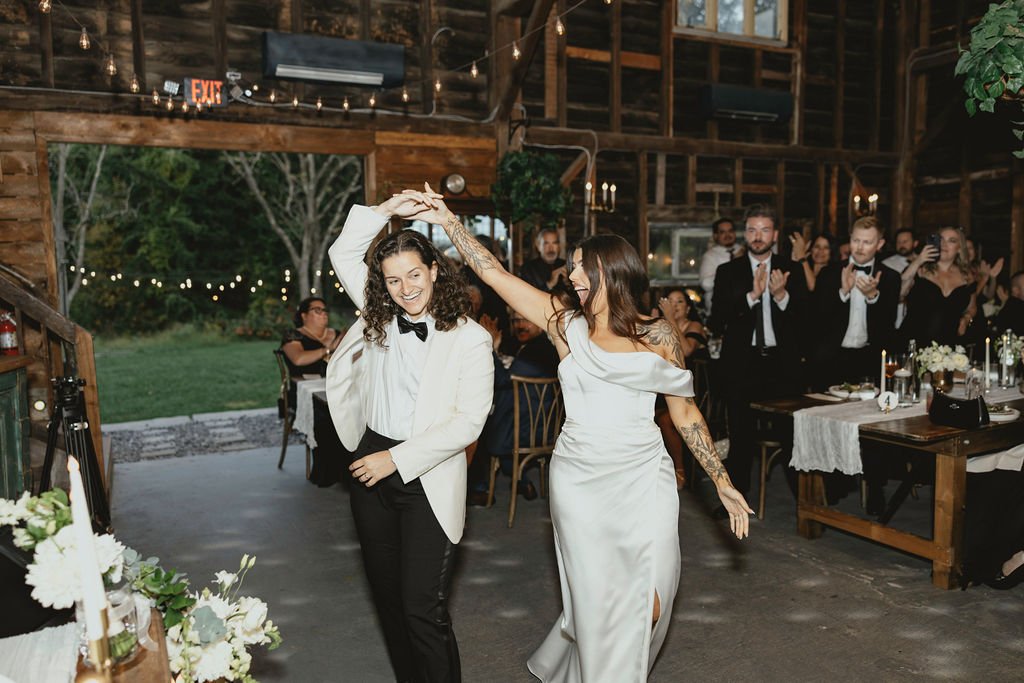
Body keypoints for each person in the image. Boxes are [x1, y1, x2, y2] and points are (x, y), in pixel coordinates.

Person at [401, 182, 751, 682]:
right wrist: (448, 220)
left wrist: (720, 479)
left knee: (651, 601)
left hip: (644, 478)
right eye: (572, 266)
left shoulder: (658, 335)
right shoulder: (565, 325)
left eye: (584, 266)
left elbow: (687, 413)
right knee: (600, 608)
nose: (574, 274)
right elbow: (492, 272)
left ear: (615, 270)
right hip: (580, 481)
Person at [325, 198, 494, 683]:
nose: (405, 290)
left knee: (423, 607)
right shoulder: (377, 314)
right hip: (368, 461)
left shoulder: (470, 339)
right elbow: (343, 252)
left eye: (414, 275)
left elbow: (468, 424)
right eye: (394, 280)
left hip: (428, 473)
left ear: (436, 271)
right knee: (389, 600)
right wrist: (385, 208)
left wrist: (394, 460)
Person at [711, 204, 802, 504]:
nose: (757, 236)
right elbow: (716, 320)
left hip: (781, 364)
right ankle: (736, 503)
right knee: (740, 437)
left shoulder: (793, 268)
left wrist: (781, 297)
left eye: (764, 230)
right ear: (745, 234)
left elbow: (808, 322)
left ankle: (804, 503)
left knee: (791, 435)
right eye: (752, 230)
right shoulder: (728, 272)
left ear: (775, 234)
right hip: (742, 364)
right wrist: (751, 296)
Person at [467, 311, 561, 506]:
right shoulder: (542, 348)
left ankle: (480, 489)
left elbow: (501, 380)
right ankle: (521, 480)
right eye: (515, 321)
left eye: (526, 320)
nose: (520, 325)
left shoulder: (537, 351)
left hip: (523, 433)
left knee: (475, 428)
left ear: (539, 323)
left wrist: (490, 348)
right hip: (545, 429)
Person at [811, 217, 900, 388]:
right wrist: (843, 292)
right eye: (855, 240)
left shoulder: (890, 277)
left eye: (867, 242)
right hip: (831, 359)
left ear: (879, 244)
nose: (859, 247)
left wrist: (873, 297)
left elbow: (887, 326)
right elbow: (816, 318)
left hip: (869, 360)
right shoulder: (828, 273)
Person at [279, 296, 348, 487]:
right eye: (317, 310)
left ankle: (349, 469)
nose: (324, 314)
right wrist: (328, 350)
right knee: (325, 415)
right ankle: (328, 471)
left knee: (353, 410)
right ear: (303, 315)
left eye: (325, 311)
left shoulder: (336, 334)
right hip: (303, 392)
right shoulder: (293, 336)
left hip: (335, 388)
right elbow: (299, 359)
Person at [650, 288, 708, 489]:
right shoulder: (661, 326)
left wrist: (669, 320)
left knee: (666, 419)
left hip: (688, 392)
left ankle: (679, 469)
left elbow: (686, 350)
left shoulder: (694, 325)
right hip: (661, 389)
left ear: (688, 307)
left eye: (679, 302)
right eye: (670, 301)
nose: (674, 306)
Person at [900, 227, 978, 347]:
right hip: (914, 341)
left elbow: (972, 307)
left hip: (950, 345)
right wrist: (918, 260)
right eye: (940, 239)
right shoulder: (920, 270)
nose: (944, 244)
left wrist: (966, 319)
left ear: (959, 248)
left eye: (951, 240)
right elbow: (899, 293)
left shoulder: (967, 276)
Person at [698, 217, 742, 319]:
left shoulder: (745, 251)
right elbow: (706, 284)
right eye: (722, 232)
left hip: (743, 311)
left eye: (730, 231)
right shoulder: (710, 256)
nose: (728, 235)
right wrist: (733, 263)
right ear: (715, 236)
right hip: (719, 313)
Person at [881, 227, 918, 328]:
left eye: (905, 241)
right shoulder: (887, 264)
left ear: (915, 243)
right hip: (898, 315)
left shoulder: (925, 262)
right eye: (899, 242)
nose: (901, 245)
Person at [518, 227, 567, 292]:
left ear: (559, 246)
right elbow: (526, 296)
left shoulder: (565, 265)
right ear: (538, 246)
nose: (551, 248)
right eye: (546, 243)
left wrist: (568, 284)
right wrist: (549, 284)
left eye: (554, 243)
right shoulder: (528, 268)